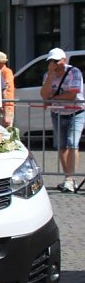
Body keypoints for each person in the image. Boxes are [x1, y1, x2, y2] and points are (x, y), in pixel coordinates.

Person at [40, 47, 85, 193]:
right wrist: (51, 75)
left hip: (76, 112)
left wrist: (52, 98)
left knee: (72, 144)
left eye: (56, 61)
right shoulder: (48, 74)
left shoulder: (74, 72)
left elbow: (71, 95)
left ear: (63, 60)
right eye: (51, 61)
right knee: (61, 145)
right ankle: (68, 177)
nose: (54, 64)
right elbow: (44, 94)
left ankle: (70, 178)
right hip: (57, 113)